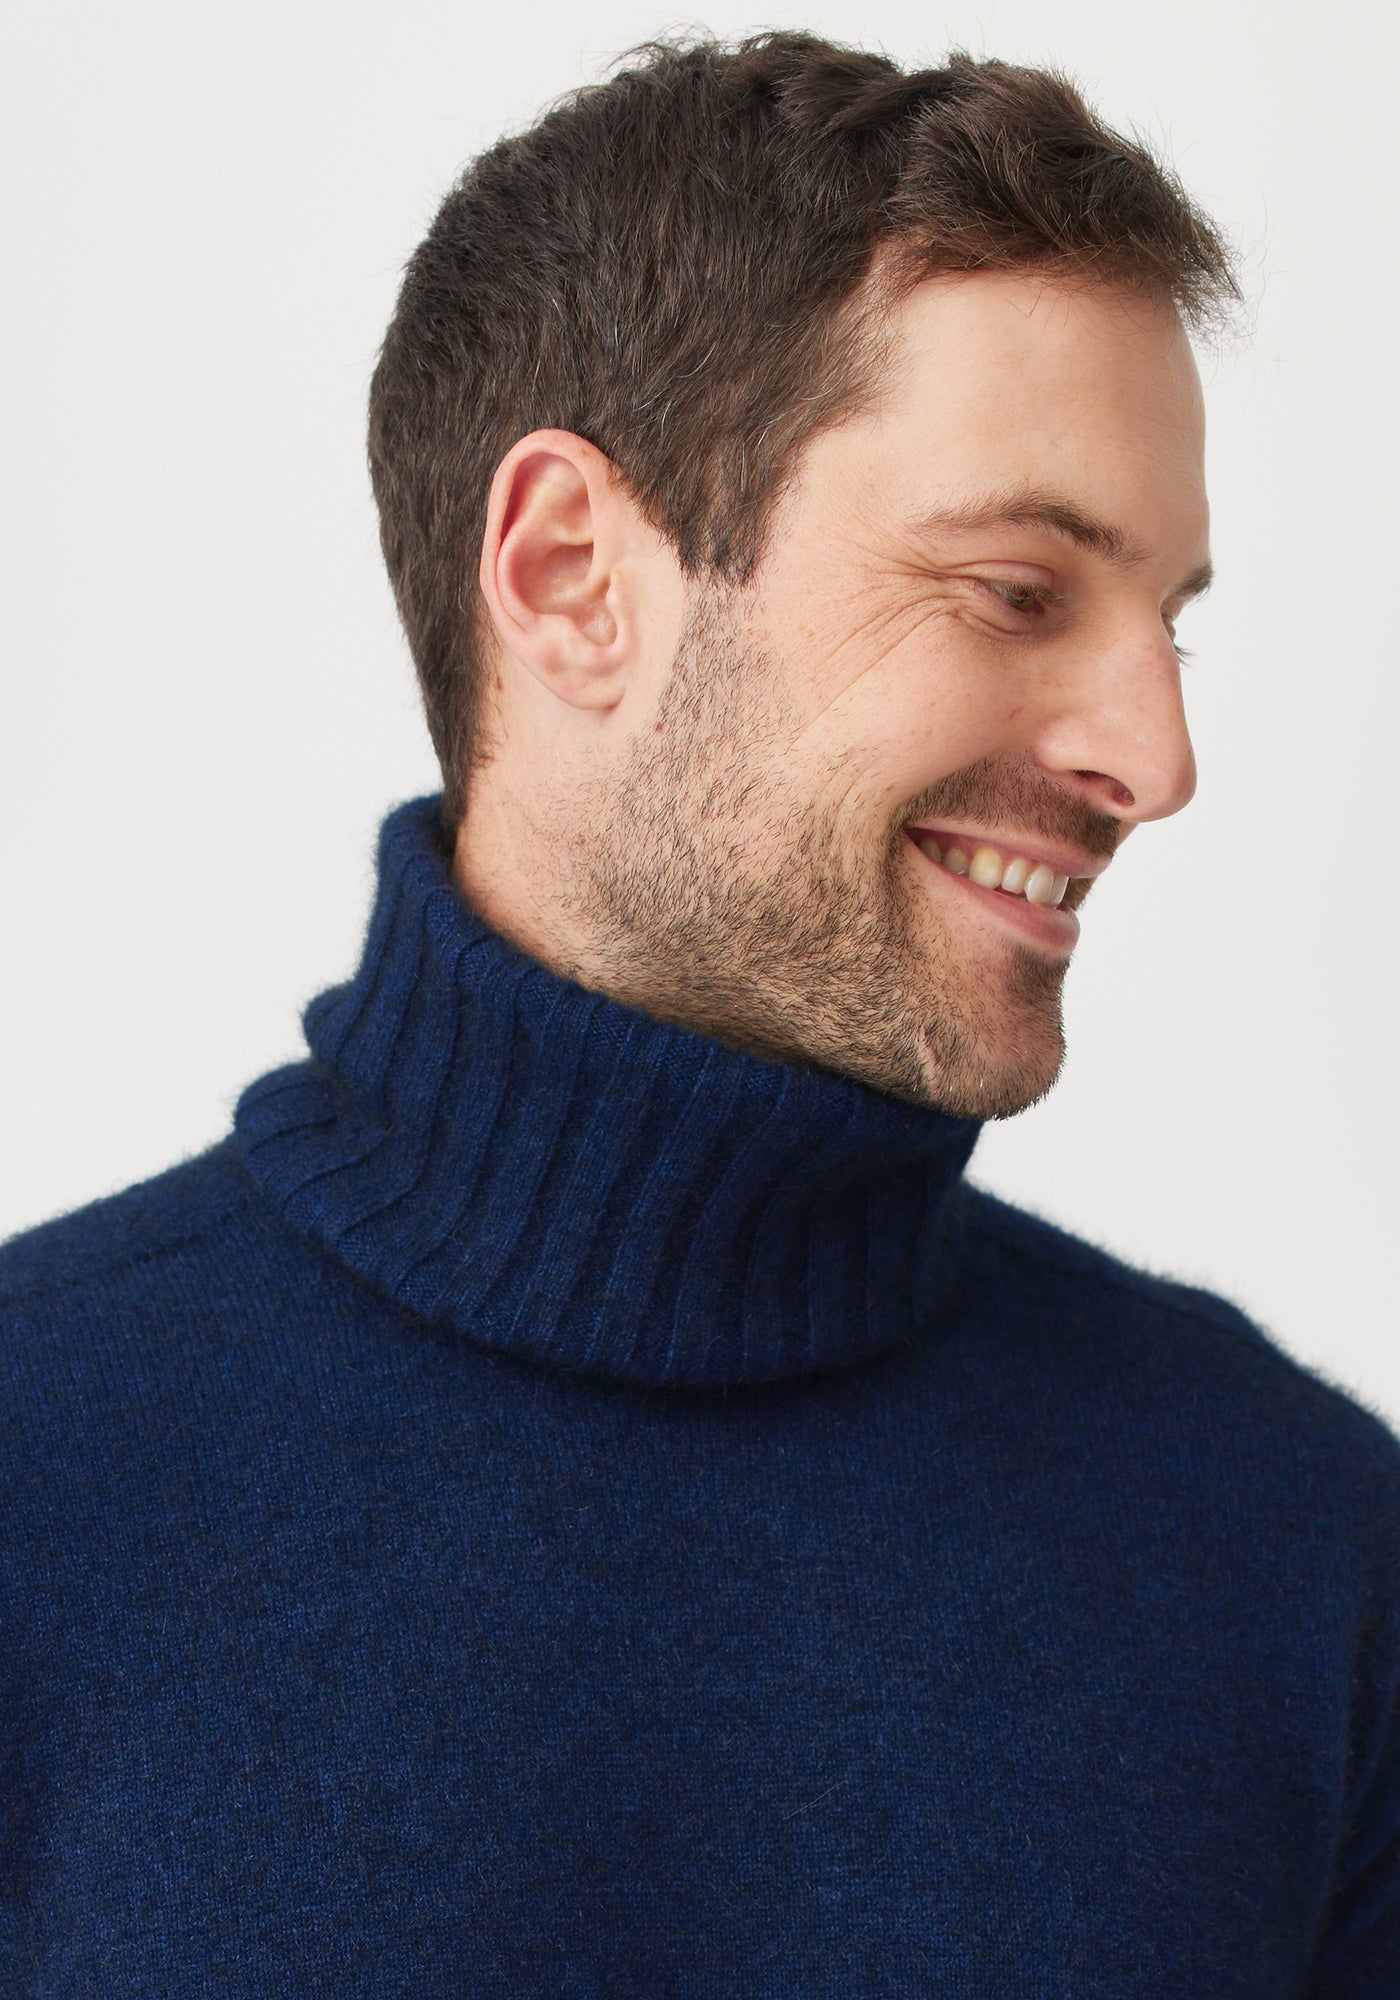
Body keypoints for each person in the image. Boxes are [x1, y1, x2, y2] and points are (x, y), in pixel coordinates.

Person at [2, 30, 1395, 1995]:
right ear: (575, 577)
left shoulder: (1301, 1549)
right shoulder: (39, 1474)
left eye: (1166, 623)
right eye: (1019, 590)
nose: (1154, 758)